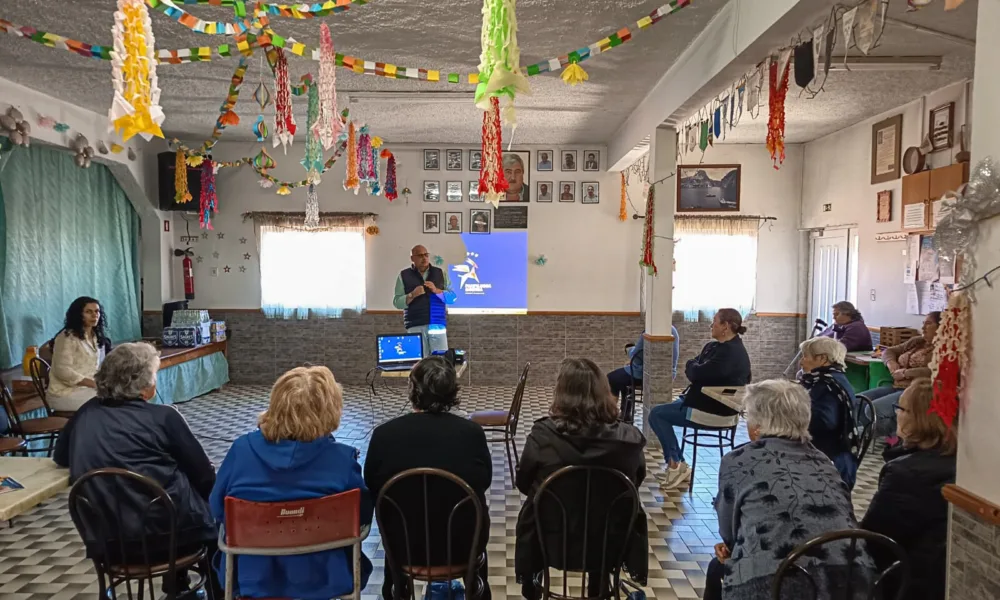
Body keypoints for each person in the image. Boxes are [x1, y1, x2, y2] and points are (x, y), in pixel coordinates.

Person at [53, 343, 222, 598]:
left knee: (162, 495)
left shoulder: (84, 414)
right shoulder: (164, 417)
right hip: (171, 541)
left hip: (107, 542)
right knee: (208, 513)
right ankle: (215, 591)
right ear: (145, 386)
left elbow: (60, 457)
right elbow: (205, 476)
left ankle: (177, 584)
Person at [210, 366, 373, 599]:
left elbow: (216, 507)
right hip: (324, 576)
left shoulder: (241, 450)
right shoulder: (342, 460)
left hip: (251, 575)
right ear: (330, 409)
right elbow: (362, 517)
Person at [704, 380, 874, 600]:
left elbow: (729, 533)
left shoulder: (739, 460)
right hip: (853, 582)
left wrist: (732, 547)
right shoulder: (824, 461)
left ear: (758, 423)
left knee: (719, 569)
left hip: (775, 585)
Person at [515, 358, 648, 599]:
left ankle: (532, 588)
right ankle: (599, 589)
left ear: (561, 393)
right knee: (603, 514)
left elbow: (524, 484)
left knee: (534, 510)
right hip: (611, 542)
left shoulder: (543, 435)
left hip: (552, 540)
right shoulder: (630, 438)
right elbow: (636, 482)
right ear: (604, 391)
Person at [364, 357, 492, 600]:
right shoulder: (471, 433)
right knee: (477, 514)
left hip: (403, 546)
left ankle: (396, 592)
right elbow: (483, 482)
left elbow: (373, 486)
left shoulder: (384, 435)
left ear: (412, 391)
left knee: (393, 521)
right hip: (462, 544)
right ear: (453, 391)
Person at [861, 378, 956, 600]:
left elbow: (876, 540)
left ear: (917, 418)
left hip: (907, 582)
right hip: (941, 578)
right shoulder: (960, 461)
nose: (896, 414)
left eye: (900, 408)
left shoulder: (905, 473)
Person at [649, 309, 752, 489]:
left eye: (715, 322)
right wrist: (694, 369)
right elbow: (693, 367)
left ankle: (675, 464)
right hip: (700, 402)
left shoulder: (731, 354)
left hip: (714, 410)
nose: (711, 325)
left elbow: (696, 372)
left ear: (725, 327)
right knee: (668, 408)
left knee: (656, 415)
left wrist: (694, 369)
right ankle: (679, 463)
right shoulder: (713, 347)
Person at [864, 311, 941, 437]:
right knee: (858, 401)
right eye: (923, 323)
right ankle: (867, 436)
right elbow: (888, 351)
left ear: (940, 327)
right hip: (897, 386)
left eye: (928, 324)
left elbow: (935, 371)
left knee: (873, 409)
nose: (923, 327)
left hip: (917, 391)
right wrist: (891, 363)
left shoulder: (944, 348)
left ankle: (900, 436)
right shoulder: (917, 341)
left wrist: (906, 373)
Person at [798, 337, 859, 489]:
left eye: (805, 356)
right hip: (832, 449)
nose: (801, 362)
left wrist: (792, 417)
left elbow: (825, 422)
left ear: (822, 358)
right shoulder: (831, 379)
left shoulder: (827, 385)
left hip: (830, 458)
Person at [46, 296, 112, 412]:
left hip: (88, 390)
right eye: (88, 312)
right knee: (108, 400)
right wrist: (93, 384)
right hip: (64, 394)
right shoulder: (67, 337)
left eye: (97, 311)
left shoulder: (95, 337)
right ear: (78, 315)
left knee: (119, 395)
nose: (94, 315)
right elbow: (62, 371)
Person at [392, 245, 456, 355]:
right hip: (415, 325)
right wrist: (412, 295)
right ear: (412, 258)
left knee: (439, 362)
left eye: (426, 255)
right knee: (418, 361)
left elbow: (452, 298)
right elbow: (397, 302)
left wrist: (437, 291)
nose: (424, 258)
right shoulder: (404, 275)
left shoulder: (440, 273)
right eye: (420, 255)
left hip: (437, 324)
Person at [606, 327, 680, 406]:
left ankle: (610, 413)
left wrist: (629, 350)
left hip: (645, 374)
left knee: (611, 378)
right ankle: (625, 414)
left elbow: (637, 358)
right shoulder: (672, 329)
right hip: (668, 375)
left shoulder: (649, 330)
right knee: (624, 377)